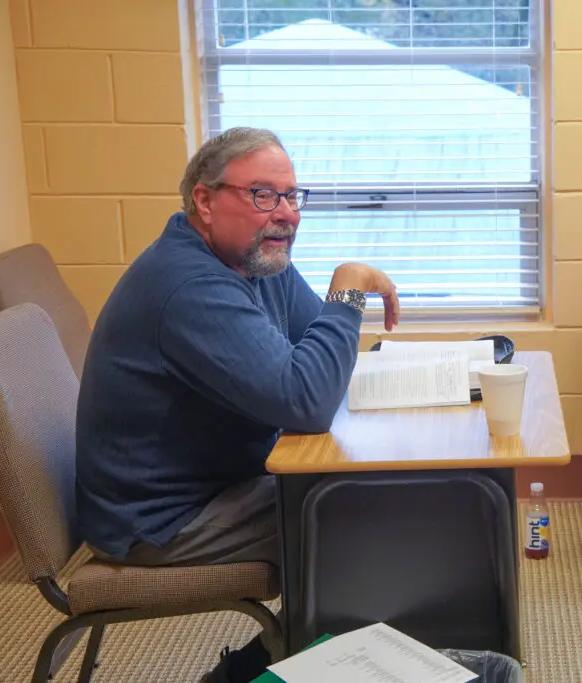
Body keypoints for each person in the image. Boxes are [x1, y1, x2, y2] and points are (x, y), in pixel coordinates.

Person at [75, 127, 400, 681]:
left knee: (373, 498)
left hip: (216, 482)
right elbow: (307, 400)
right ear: (204, 201)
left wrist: (332, 329)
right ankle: (260, 672)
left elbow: (314, 360)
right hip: (164, 519)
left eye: (292, 196)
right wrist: (347, 287)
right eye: (263, 195)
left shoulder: (253, 258)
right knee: (360, 516)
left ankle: (285, 660)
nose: (287, 214)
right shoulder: (189, 287)